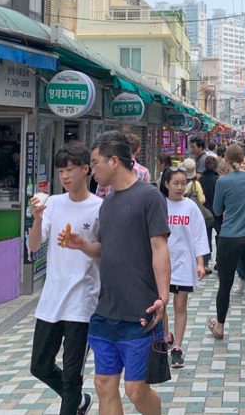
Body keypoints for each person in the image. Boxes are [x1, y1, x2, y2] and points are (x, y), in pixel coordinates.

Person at [64, 132, 170, 415]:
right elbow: (104, 248)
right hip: (106, 311)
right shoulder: (107, 202)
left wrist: (163, 296)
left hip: (140, 311)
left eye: (96, 162)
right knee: (103, 384)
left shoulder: (149, 196)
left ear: (114, 161)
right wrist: (83, 245)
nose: (92, 169)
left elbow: (160, 248)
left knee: (135, 390)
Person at [28, 142, 101, 415]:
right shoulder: (53, 204)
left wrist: (82, 245)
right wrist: (36, 218)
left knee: (72, 376)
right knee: (39, 365)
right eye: (61, 172)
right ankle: (80, 401)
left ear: (86, 170)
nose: (65, 177)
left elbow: (104, 252)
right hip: (52, 297)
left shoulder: (99, 208)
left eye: (70, 170)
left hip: (83, 301)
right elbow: (34, 246)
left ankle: (73, 402)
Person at [208, 144, 245, 355]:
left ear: (225, 158)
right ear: (242, 158)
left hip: (230, 238)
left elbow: (216, 210)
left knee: (225, 284)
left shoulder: (223, 181)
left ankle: (220, 326)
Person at [162, 166, 210, 370]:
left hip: (184, 264)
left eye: (183, 183)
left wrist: (200, 262)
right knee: (161, 304)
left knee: (180, 306)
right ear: (166, 184)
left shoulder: (190, 207)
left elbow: (199, 235)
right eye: (176, 183)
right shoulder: (159, 205)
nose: (180, 187)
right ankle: (165, 338)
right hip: (162, 263)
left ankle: (178, 347)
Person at [198, 155, 220, 270]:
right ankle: (219, 262)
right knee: (220, 236)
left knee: (205, 237)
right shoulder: (218, 180)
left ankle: (205, 263)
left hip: (204, 212)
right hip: (217, 213)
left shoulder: (200, 180)